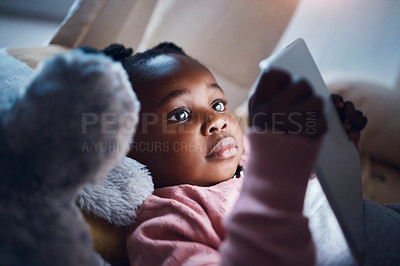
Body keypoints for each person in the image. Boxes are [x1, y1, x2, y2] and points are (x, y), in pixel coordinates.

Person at [100, 43, 398, 265]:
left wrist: (338, 146)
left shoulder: (254, 152)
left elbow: (329, 198)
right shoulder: (169, 217)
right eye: (180, 114)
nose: (218, 120)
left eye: (218, 105)